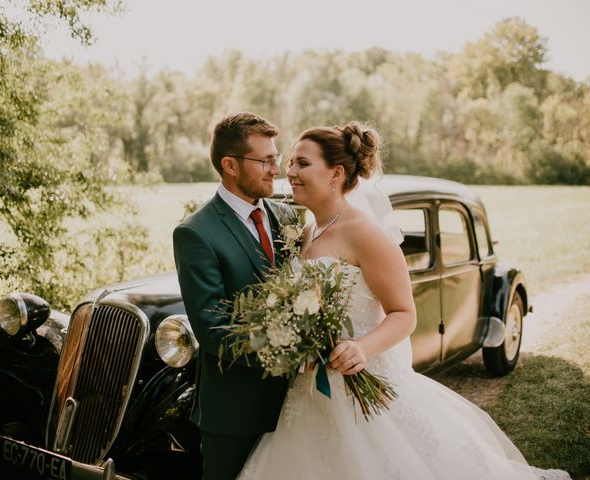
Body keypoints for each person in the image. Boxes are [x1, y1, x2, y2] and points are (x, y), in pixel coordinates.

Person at [237, 121, 571, 480]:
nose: (290, 173)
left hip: (361, 385)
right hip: (310, 394)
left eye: (302, 163)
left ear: (336, 173)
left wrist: (362, 348)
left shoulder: (367, 234)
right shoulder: (306, 232)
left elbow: (404, 313)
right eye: (290, 163)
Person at [173, 112, 297, 480]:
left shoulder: (288, 218)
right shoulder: (196, 233)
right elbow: (213, 329)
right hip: (235, 410)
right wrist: (289, 354)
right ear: (230, 165)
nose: (276, 168)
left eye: (276, 157)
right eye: (266, 160)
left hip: (297, 405)